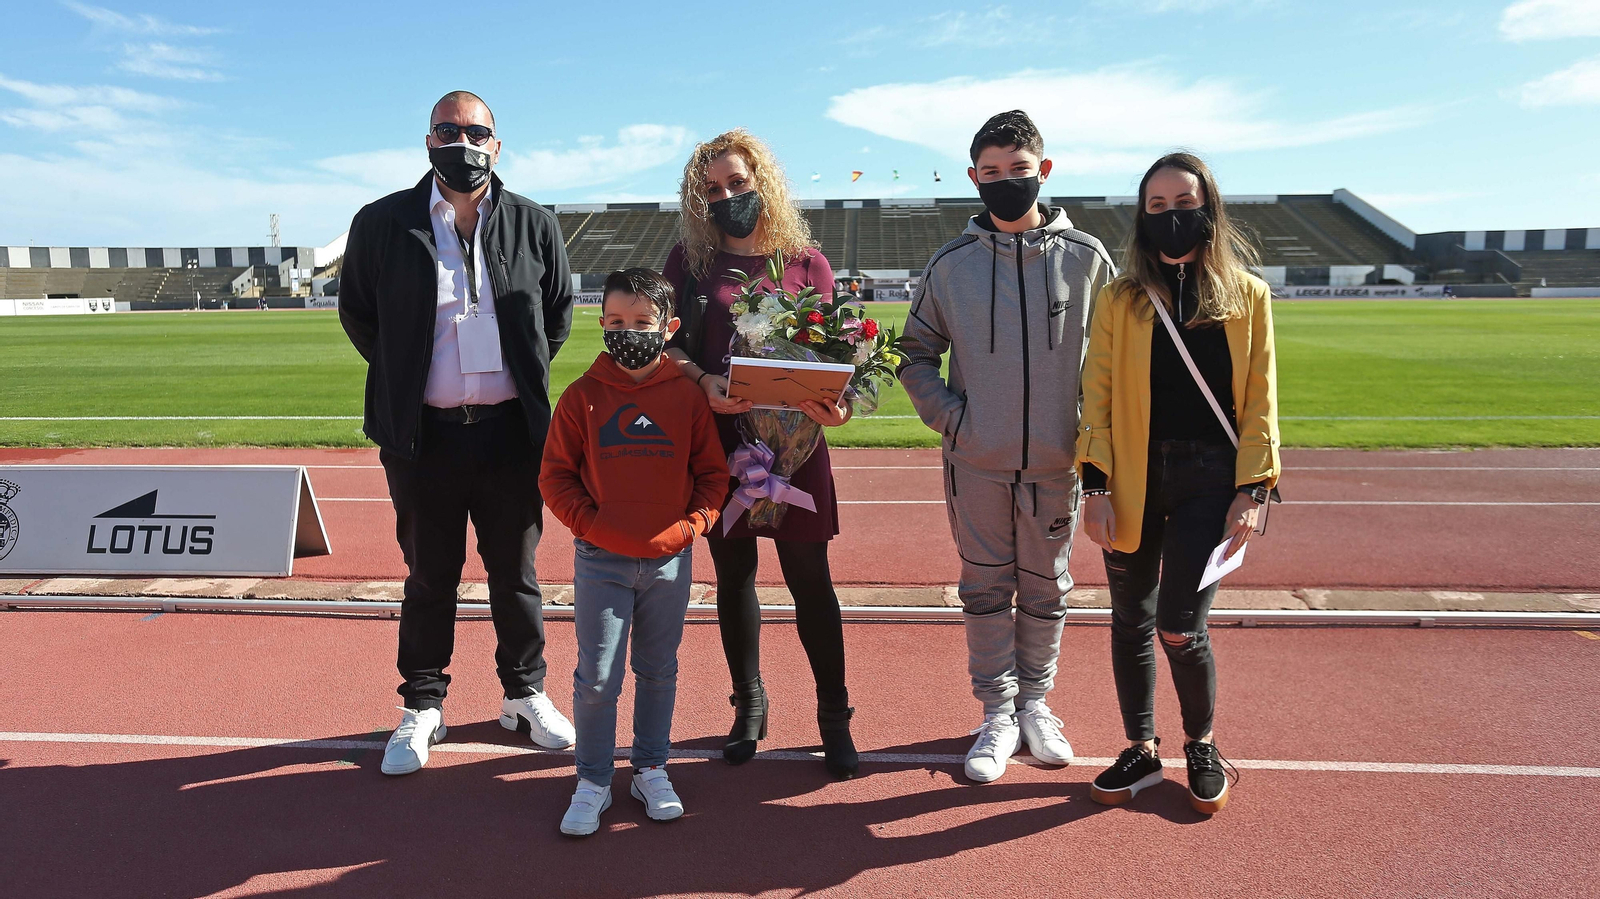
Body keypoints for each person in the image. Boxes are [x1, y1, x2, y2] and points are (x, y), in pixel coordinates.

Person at [338, 90, 577, 776]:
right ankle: (422, 704)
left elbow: (554, 317)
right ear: (428, 139)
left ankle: (524, 692)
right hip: (424, 438)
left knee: (517, 574)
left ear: (497, 146)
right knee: (430, 575)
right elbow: (361, 316)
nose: (463, 141)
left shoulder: (534, 224)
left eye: (477, 132)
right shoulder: (383, 223)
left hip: (509, 433)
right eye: (450, 129)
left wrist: (513, 380)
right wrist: (413, 376)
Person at [899, 110, 1116, 784]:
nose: (1005, 182)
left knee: (1048, 588)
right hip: (978, 465)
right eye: (991, 173)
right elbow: (914, 354)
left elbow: (1114, 364)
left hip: (1058, 464)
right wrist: (954, 419)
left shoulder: (1088, 259)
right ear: (973, 178)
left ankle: (1036, 703)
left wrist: (1090, 437)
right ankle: (996, 712)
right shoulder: (951, 265)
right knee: (986, 587)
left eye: (1018, 171)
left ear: (1043, 171)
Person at [1077, 151, 1281, 815]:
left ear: (1209, 209)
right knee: (1129, 618)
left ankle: (1202, 741)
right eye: (1156, 206)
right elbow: (1097, 394)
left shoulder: (1248, 296)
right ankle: (1140, 744)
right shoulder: (1122, 297)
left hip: (1209, 480)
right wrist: (1096, 486)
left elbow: (1261, 398)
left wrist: (1254, 490)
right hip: (1134, 476)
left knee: (1177, 627)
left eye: (1183, 203)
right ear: (1143, 217)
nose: (1171, 217)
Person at [661, 128, 859, 778]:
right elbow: (664, 344)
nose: (726, 197)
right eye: (712, 189)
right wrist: (701, 381)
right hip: (722, 446)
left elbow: (836, 360)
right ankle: (748, 704)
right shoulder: (686, 265)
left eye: (737, 184)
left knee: (811, 583)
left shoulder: (808, 262)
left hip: (798, 448)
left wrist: (838, 402)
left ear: (761, 182)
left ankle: (834, 715)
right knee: (734, 576)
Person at [540, 267, 729, 837]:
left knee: (657, 669)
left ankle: (650, 767)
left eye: (642, 323)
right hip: (601, 560)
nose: (629, 332)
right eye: (617, 322)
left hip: (671, 560)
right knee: (597, 677)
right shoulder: (581, 397)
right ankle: (593, 779)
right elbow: (555, 478)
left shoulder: (687, 398)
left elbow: (713, 478)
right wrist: (592, 527)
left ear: (668, 328)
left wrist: (689, 528)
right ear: (601, 325)